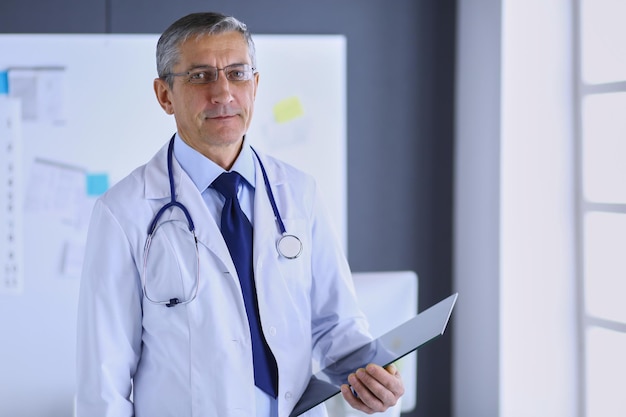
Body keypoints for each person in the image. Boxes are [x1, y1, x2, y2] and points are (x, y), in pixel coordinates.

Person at [76, 11, 404, 417]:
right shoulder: (123, 212)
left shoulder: (299, 192)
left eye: (237, 73)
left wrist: (368, 378)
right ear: (164, 95)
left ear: (256, 84)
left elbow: (336, 327)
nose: (223, 93)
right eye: (200, 76)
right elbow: (103, 384)